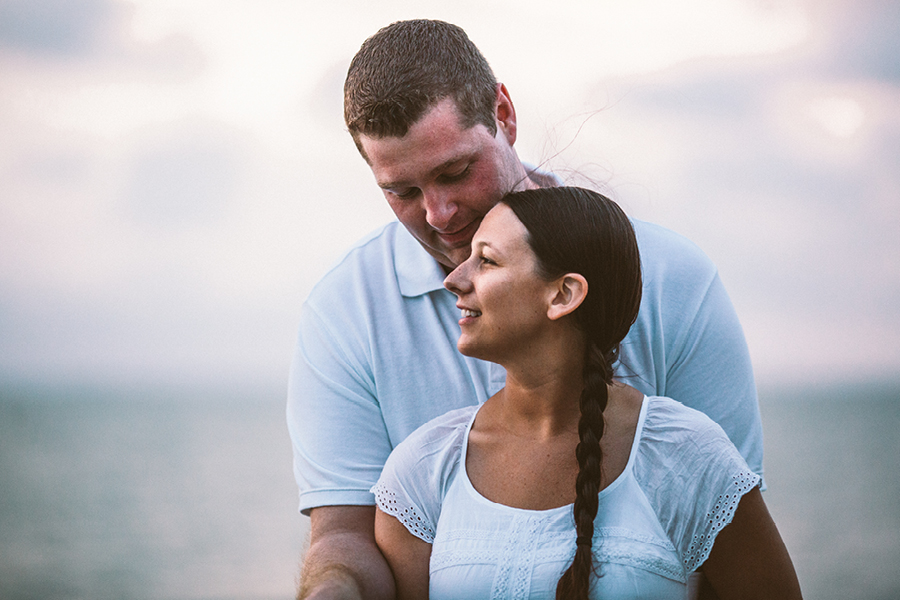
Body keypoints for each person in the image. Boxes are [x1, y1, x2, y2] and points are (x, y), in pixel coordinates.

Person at [288, 19, 764, 599]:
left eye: (455, 172)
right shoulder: (344, 313)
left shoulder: (672, 276)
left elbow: (726, 528)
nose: (438, 214)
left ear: (504, 116)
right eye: (402, 192)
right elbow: (345, 534)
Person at [372, 187, 801, 599]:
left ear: (563, 294)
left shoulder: (685, 456)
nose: (454, 279)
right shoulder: (424, 467)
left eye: (486, 261)